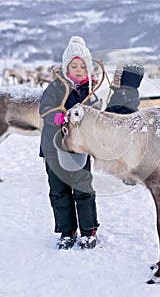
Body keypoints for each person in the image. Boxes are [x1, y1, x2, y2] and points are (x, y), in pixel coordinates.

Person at [39, 36, 99, 250]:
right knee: (59, 191)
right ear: (66, 67)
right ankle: (67, 231)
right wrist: (56, 117)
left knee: (82, 189)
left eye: (83, 66)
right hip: (53, 150)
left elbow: (94, 115)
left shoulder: (90, 93)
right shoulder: (55, 88)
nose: (79, 69)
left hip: (78, 150)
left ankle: (89, 231)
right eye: (74, 65)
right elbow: (45, 109)